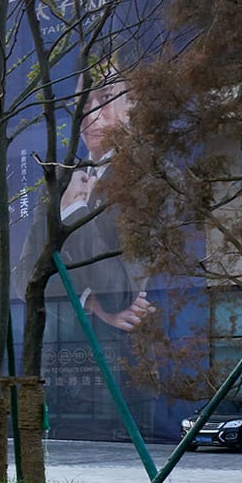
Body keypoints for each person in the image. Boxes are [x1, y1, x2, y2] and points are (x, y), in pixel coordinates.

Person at [13, 76, 156, 332]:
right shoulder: (59, 180)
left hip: (130, 347)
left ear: (131, 105)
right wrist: (89, 301)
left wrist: (74, 210)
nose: (91, 114)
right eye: (83, 102)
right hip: (61, 345)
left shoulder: (152, 179)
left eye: (106, 98)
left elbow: (117, 293)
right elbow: (24, 280)